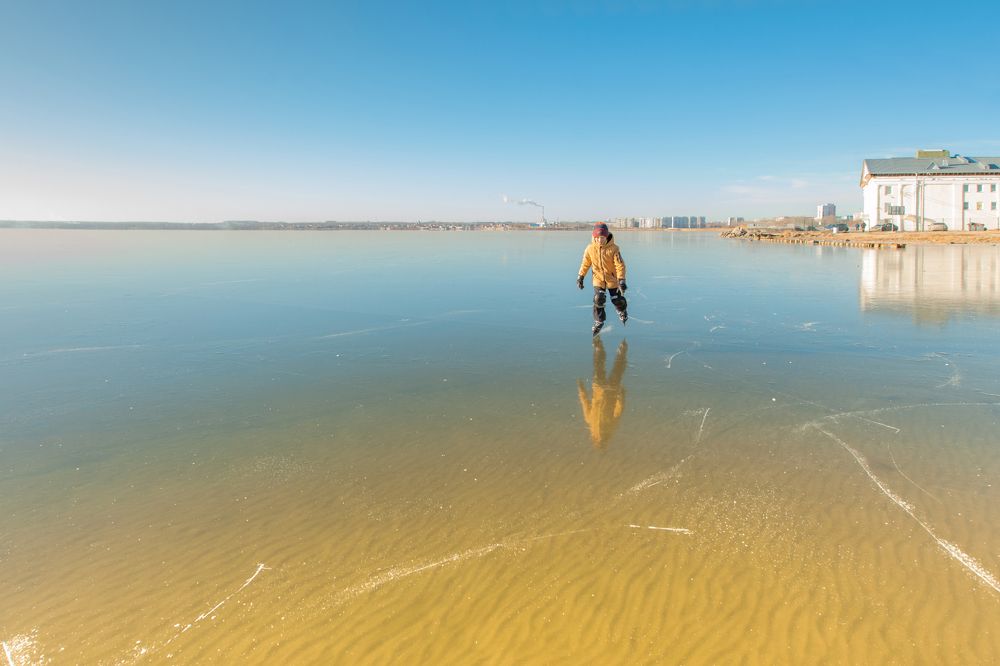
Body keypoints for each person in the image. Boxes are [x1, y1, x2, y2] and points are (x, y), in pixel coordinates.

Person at [576, 222, 628, 336]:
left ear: (607, 236)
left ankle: (622, 310)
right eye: (598, 238)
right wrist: (580, 277)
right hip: (598, 279)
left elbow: (620, 265)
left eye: (603, 237)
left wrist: (621, 279)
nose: (600, 240)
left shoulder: (614, 249)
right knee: (598, 299)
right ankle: (599, 320)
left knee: (616, 300)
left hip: (612, 279)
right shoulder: (590, 249)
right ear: (594, 237)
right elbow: (585, 263)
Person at [577, 338, 628, 450]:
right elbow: (618, 411)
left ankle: (600, 346)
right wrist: (621, 397)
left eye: (597, 439)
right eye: (602, 439)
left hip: (601, 388)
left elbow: (584, 402)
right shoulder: (609, 426)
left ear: (594, 437)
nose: (599, 436)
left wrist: (581, 389)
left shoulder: (591, 421)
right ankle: (620, 349)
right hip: (610, 391)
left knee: (600, 366)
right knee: (616, 369)